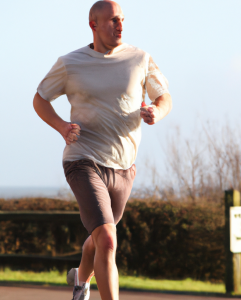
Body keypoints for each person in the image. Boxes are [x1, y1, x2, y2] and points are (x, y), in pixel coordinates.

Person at [33, 1, 172, 299]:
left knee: (99, 239)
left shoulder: (139, 58)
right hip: (82, 160)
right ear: (93, 25)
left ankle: (80, 282)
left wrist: (156, 113)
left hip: (124, 168)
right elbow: (40, 99)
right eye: (112, 20)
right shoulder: (71, 63)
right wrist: (61, 127)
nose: (119, 25)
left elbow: (164, 97)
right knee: (109, 238)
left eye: (122, 19)